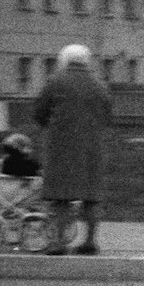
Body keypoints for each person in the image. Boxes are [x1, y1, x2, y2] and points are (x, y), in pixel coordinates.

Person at [32, 43, 113, 256]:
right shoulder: (99, 85)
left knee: (61, 197)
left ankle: (59, 242)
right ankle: (90, 241)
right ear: (87, 61)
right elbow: (107, 116)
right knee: (91, 196)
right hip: (92, 148)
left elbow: (40, 113)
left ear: (64, 60)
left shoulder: (55, 81)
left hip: (62, 147)